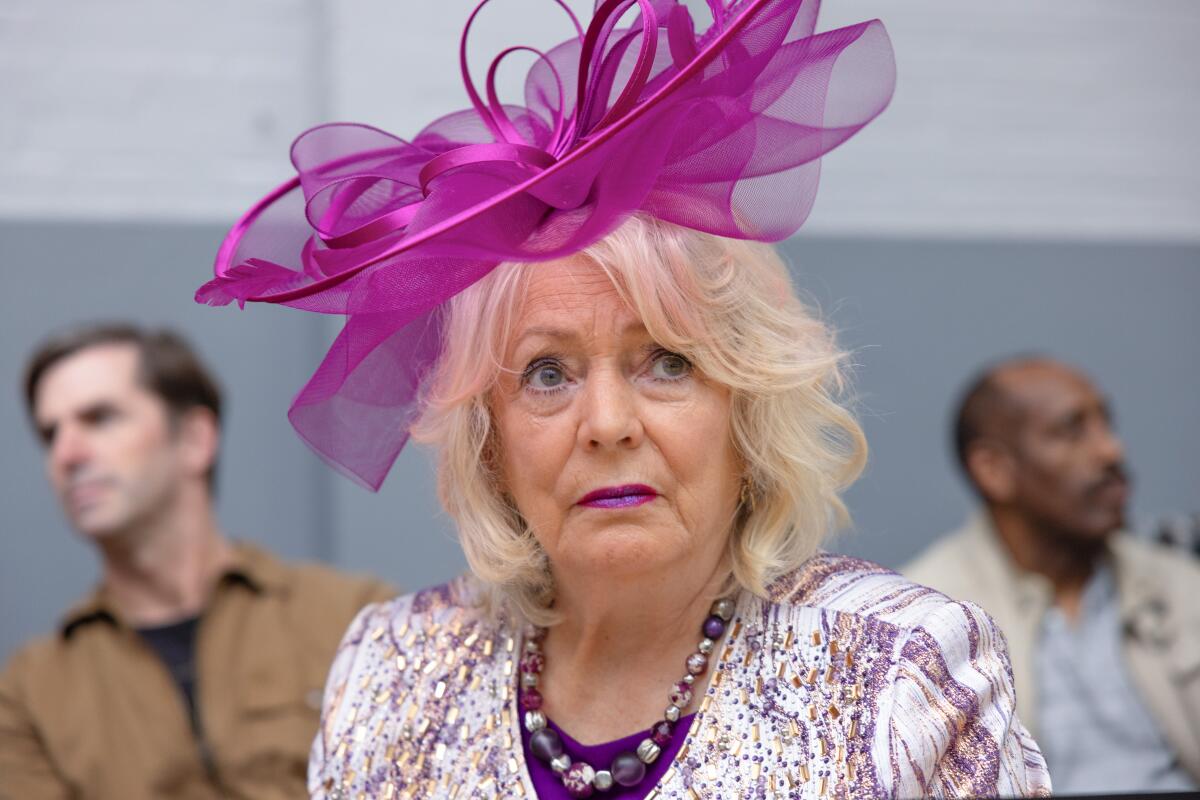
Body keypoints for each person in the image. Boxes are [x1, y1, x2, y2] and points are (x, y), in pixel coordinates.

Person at [199, 1, 1050, 797]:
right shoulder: (390, 673)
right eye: (546, 374)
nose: (606, 424)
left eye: (668, 363)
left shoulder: (902, 672)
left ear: (744, 408)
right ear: (488, 438)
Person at [0, 324, 395, 800]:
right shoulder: (28, 694)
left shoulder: (356, 617)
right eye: (50, 434)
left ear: (194, 439)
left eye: (99, 418)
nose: (66, 454)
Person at [904, 356, 1200, 793]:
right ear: (993, 470)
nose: (1110, 450)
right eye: (1071, 431)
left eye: (1106, 424)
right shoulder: (929, 618)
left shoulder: (1182, 586)